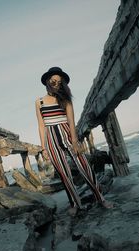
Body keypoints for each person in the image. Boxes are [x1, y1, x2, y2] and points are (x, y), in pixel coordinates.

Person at [35, 67, 112, 216]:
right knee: (64, 174)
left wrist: (75, 141)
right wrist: (43, 147)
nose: (56, 84)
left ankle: (100, 198)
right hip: (51, 140)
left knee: (85, 167)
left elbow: (71, 121)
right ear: (47, 82)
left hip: (68, 136)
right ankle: (75, 203)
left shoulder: (65, 99)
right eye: (53, 81)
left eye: (59, 82)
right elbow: (41, 125)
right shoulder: (39, 102)